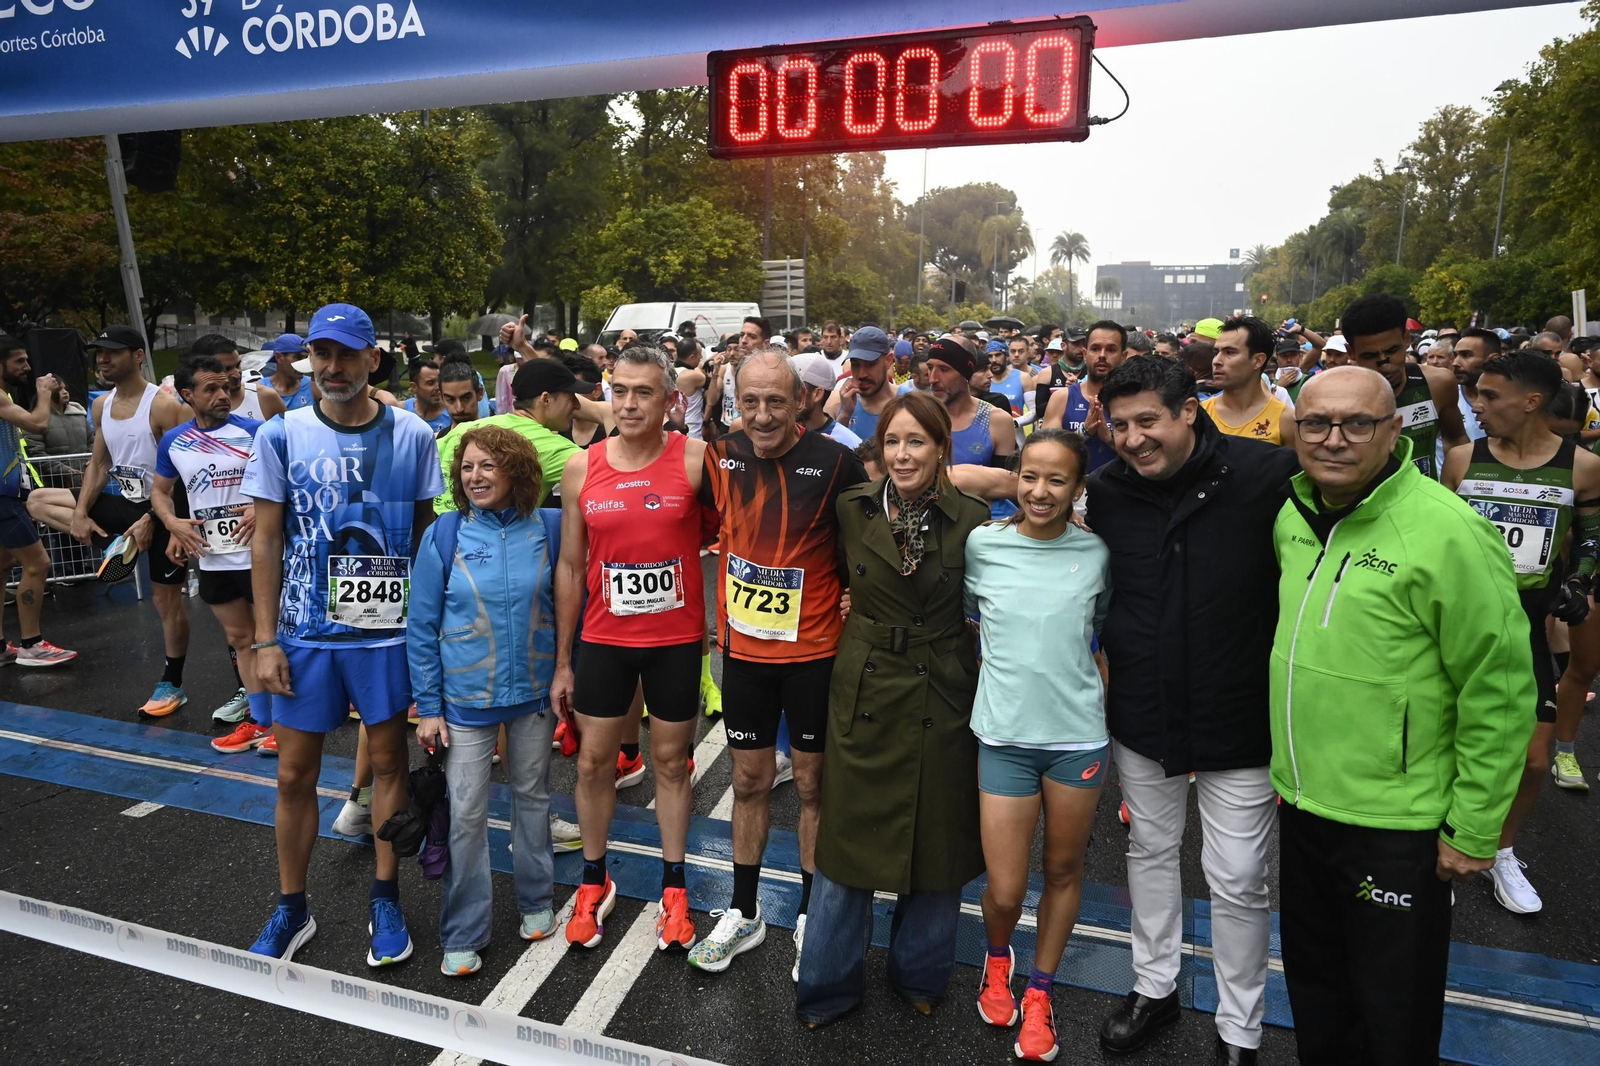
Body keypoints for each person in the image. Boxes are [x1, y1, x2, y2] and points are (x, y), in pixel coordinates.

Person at [1272, 365, 1534, 1066]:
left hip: (1397, 822)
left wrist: (1475, 828)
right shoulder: (1293, 516)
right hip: (1302, 805)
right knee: (1318, 997)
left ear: (1394, 431)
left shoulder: (1449, 532)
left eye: (1356, 424)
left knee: (1393, 1015)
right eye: (1316, 424)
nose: (1332, 440)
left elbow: (1500, 690)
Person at [1086, 354, 1297, 1065]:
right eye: (1119, 426)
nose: (1134, 438)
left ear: (1188, 411)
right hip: (1142, 712)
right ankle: (1155, 987)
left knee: (1239, 877)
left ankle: (1241, 1028)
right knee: (1148, 852)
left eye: (1148, 420)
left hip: (1239, 714)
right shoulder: (1106, 490)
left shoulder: (1267, 476)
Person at [242, 303, 445, 966]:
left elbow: (425, 538)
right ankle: (291, 907)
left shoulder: (414, 435)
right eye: (320, 355)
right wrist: (264, 640)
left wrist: (431, 631)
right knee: (295, 773)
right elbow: (266, 537)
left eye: (345, 355)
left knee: (388, 766)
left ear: (371, 360)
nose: (331, 368)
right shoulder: (281, 434)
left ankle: (384, 898)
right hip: (305, 636)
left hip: (385, 636)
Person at [796, 392, 989, 1026]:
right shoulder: (850, 509)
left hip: (943, 685)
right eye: (893, 442)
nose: (903, 455)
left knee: (939, 843)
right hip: (867, 684)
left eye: (918, 442)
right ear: (878, 448)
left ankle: (920, 975)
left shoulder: (975, 520)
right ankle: (826, 984)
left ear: (941, 450)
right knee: (845, 845)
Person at [691, 349, 867, 978]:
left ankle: (811, 915)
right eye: (749, 401)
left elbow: (863, 546)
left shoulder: (839, 461)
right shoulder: (719, 454)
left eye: (775, 401)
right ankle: (744, 911)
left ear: (801, 403)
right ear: (736, 399)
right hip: (743, 656)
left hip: (814, 656)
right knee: (747, 782)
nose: (762, 415)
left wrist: (855, 594)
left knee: (816, 787)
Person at [550, 346, 708, 953]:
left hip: (673, 641)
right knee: (592, 763)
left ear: (670, 400)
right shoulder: (582, 467)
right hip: (604, 640)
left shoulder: (695, 460)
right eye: (621, 391)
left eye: (645, 392)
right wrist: (564, 661)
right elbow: (570, 565)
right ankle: (594, 879)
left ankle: (674, 887)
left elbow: (730, 534)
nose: (631, 403)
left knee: (670, 763)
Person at [966, 429, 1110, 1063]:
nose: (1040, 492)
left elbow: (1100, 634)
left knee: (1061, 871)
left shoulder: (1098, 554)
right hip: (1003, 736)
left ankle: (1041, 991)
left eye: (1057, 481)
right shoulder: (983, 545)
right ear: (1014, 478)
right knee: (1003, 887)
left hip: (1077, 737)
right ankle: (997, 960)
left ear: (1079, 489)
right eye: (1029, 477)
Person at [1442, 350, 1600, 914]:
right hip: (1457, 624)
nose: (1475, 406)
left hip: (1526, 624)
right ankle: (1442, 845)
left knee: (1533, 759)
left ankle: (1503, 851)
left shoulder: (1581, 466)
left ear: (1530, 401)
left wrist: (1579, 585)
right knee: (1447, 742)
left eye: (1489, 396)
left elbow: (1591, 533)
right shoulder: (1462, 459)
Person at [409, 426, 561, 975]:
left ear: (517, 472)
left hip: (536, 696)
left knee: (533, 798)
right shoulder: (445, 534)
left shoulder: (552, 528)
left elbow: (572, 608)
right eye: (467, 467)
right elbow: (421, 625)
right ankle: (464, 930)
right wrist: (428, 707)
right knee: (466, 817)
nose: (474, 477)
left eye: (488, 466)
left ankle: (537, 901)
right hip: (465, 701)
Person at [26, 325, 193, 712]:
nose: (102, 359)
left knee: (165, 603)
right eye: (98, 352)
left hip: (166, 512)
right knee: (37, 501)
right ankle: (112, 546)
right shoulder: (101, 406)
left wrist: (155, 518)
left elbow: (186, 475)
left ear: (137, 356)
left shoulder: (165, 406)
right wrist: (81, 514)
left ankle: (173, 682)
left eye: (112, 352)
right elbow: (99, 463)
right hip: (126, 505)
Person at [152, 355, 271, 746]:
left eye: (227, 387)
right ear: (187, 395)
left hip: (261, 554)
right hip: (214, 556)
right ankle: (262, 720)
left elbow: (288, 482)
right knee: (241, 638)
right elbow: (160, 491)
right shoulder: (175, 441)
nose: (224, 395)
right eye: (212, 389)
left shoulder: (257, 432)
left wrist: (260, 507)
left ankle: (293, 724)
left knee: (276, 638)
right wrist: (171, 523)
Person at [0, 335, 75, 667]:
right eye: (19, 361)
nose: (28, 368)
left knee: (1, 567)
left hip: (7, 494)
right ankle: (31, 644)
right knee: (38, 564)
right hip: (3, 499)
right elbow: (39, 422)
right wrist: (45, 393)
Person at [1339, 294, 1468, 479]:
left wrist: (1452, 489)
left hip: (1424, 503)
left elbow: (1457, 441)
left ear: (1406, 339)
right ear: (1351, 352)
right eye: (1370, 356)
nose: (1385, 364)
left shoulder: (1438, 383)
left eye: (1392, 351)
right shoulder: (1334, 396)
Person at [434, 360, 587, 515]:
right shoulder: (554, 448)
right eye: (571, 397)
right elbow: (608, 471)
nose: (578, 406)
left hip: (435, 532)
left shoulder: (465, 429)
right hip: (494, 535)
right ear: (546, 399)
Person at [927, 337, 1018, 522]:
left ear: (966, 372)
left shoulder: (997, 420)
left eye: (944, 370)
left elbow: (1007, 486)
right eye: (930, 368)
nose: (933, 379)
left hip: (980, 525)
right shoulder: (918, 417)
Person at [1043, 320, 1127, 474]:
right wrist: (1083, 432)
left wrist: (1109, 438)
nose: (1102, 355)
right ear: (1084, 354)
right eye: (1095, 348)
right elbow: (1047, 452)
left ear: (1123, 356)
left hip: (1120, 491)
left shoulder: (1132, 401)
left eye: (1110, 349)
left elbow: (1143, 455)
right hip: (1073, 493)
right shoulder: (1062, 398)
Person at [1201, 315, 1294, 445]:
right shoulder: (1199, 415)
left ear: (1258, 360)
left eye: (1230, 352)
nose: (1216, 361)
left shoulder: (1286, 420)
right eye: (1216, 352)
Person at [190, 334, 286, 423]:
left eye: (238, 365)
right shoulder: (189, 410)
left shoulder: (266, 397)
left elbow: (290, 437)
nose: (237, 374)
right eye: (226, 369)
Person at [826, 326, 896, 442]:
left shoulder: (909, 402)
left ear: (888, 360)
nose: (862, 374)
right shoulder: (835, 403)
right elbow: (827, 454)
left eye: (870, 364)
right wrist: (844, 415)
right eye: (856, 365)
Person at [705, 317, 770, 436]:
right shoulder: (726, 369)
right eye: (742, 335)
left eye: (752, 336)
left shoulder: (771, 372)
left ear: (766, 343)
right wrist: (715, 373)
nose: (744, 340)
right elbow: (711, 400)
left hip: (756, 429)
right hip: (727, 425)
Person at [792, 353, 861, 449]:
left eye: (794, 390)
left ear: (817, 394)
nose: (786, 396)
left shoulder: (849, 444)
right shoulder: (777, 437)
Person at [264, 335, 314, 411]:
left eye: (306, 358)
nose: (303, 363)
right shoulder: (259, 390)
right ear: (279, 358)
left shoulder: (313, 386)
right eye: (298, 357)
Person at [437, 359, 485, 436]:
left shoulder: (499, 440)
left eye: (466, 398)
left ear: (479, 393)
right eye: (450, 400)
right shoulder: (436, 443)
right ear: (441, 398)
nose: (459, 408)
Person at [403, 360, 452, 434]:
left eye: (439, 381)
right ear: (414, 387)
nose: (438, 387)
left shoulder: (452, 413)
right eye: (430, 383)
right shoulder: (403, 411)